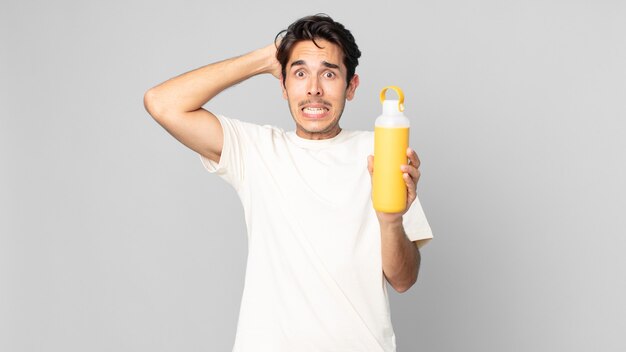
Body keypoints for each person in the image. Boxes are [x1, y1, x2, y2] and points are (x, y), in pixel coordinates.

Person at [144, 14, 432, 352]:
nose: (313, 89)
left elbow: (403, 280)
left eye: (328, 73)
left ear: (351, 87)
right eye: (299, 73)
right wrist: (266, 58)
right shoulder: (256, 151)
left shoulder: (381, 150)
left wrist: (391, 220)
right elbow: (162, 103)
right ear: (283, 86)